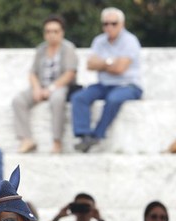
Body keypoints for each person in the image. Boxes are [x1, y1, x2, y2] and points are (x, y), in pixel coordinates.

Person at [71, 7, 143, 153]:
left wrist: (102, 63)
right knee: (79, 97)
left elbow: (120, 68)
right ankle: (84, 134)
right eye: (106, 24)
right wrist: (111, 62)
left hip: (128, 85)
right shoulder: (99, 41)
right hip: (104, 84)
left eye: (113, 23)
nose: (109, 27)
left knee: (114, 99)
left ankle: (97, 134)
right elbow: (90, 65)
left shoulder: (130, 41)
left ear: (122, 24)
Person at [12, 14, 78, 154]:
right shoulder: (41, 49)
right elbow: (32, 72)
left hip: (60, 87)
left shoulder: (68, 48)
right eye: (48, 31)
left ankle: (57, 142)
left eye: (55, 31)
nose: (51, 35)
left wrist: (51, 88)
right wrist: (36, 88)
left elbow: (70, 73)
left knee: (57, 99)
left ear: (62, 32)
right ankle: (26, 139)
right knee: (19, 100)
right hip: (41, 86)